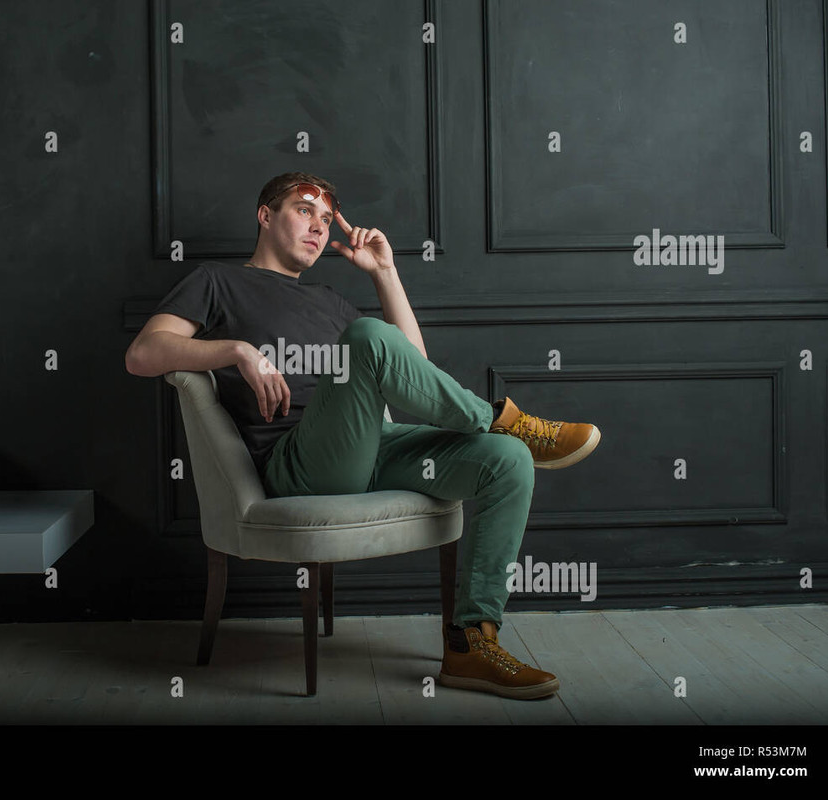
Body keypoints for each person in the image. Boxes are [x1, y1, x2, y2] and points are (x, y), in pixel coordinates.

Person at [126, 171, 601, 699]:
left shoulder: (328, 299)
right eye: (305, 211)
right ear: (265, 215)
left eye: (326, 219)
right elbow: (143, 354)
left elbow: (417, 369)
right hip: (297, 463)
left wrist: (385, 274)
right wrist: (236, 350)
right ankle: (500, 416)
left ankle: (469, 644)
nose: (318, 228)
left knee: (507, 459)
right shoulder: (216, 281)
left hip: (369, 448)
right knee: (370, 336)